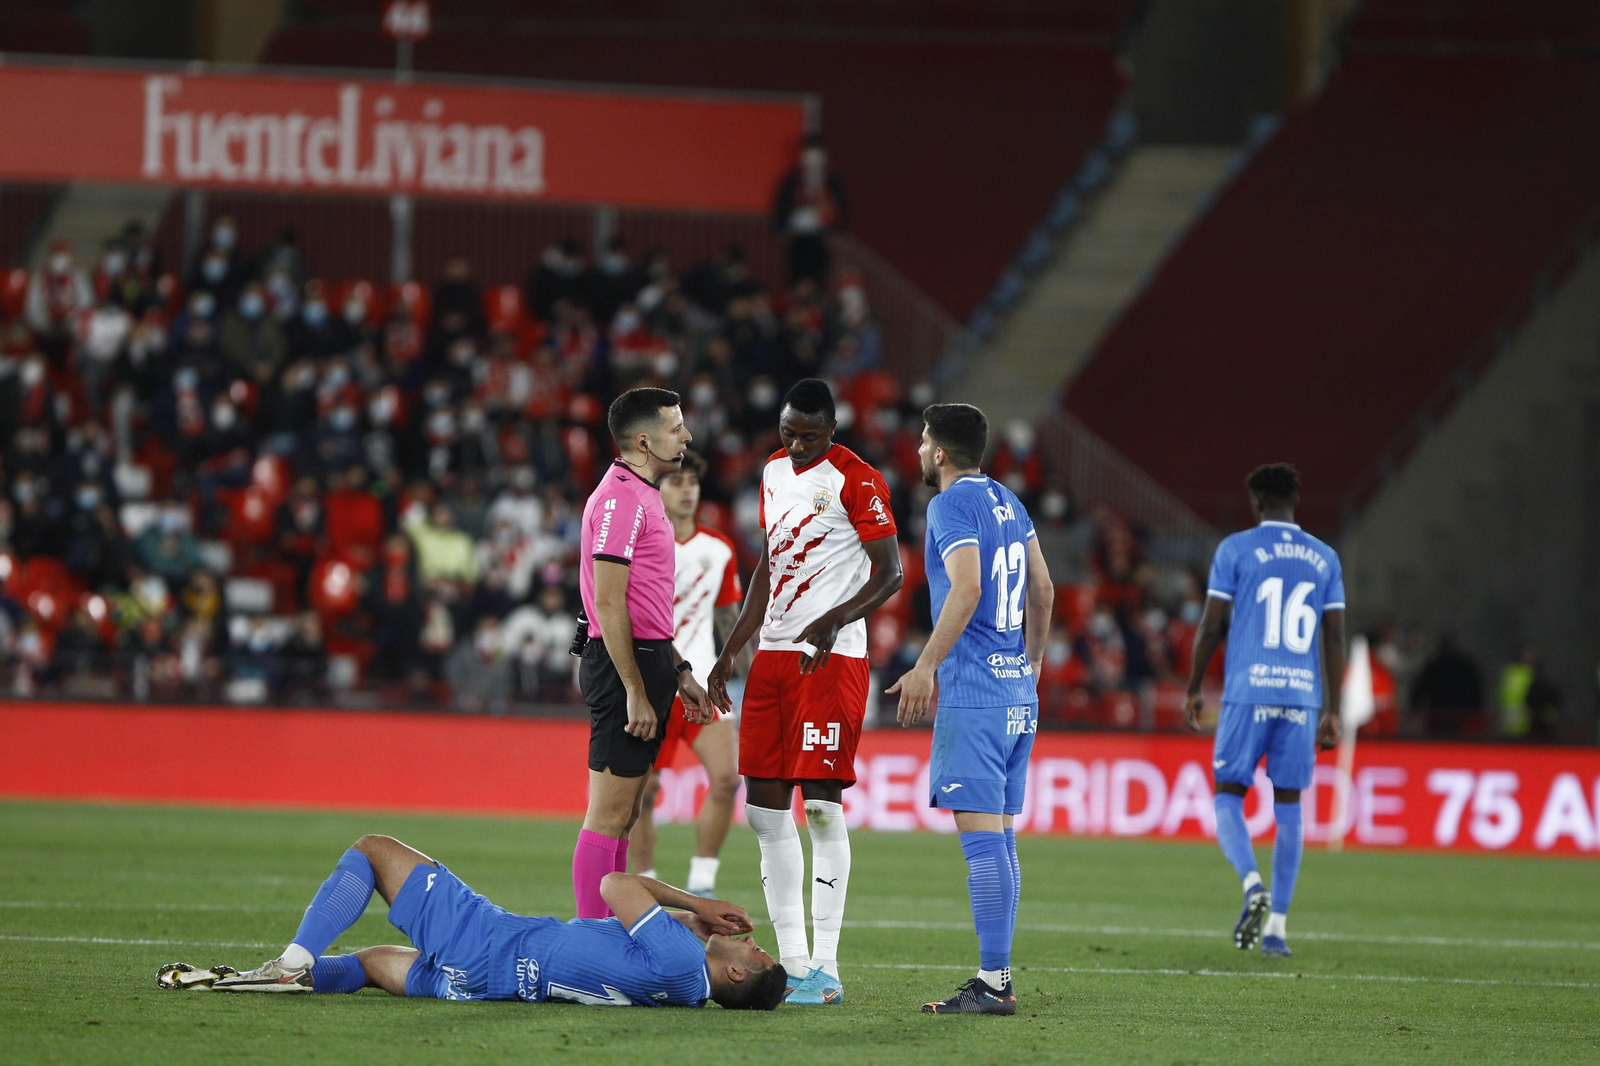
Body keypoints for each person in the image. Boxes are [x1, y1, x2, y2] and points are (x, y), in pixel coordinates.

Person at [706, 378, 904, 1005]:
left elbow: (891, 571)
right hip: (772, 658)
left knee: (820, 807)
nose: (795, 445)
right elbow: (771, 560)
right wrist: (734, 645)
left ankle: (828, 966)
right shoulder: (772, 472)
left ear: (832, 432)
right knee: (764, 813)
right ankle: (792, 963)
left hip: (831, 659)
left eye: (809, 436)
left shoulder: (858, 480)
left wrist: (834, 619)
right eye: (788, 432)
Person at [156, 834, 786, 1010]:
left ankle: (293, 962)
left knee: (372, 852)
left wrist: (700, 907)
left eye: (755, 954)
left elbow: (615, 884)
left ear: (734, 972)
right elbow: (642, 948)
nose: (752, 942)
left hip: (489, 941)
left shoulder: (680, 961)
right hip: (486, 983)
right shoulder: (681, 985)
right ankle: (264, 981)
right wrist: (693, 923)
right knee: (374, 964)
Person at [887, 403, 1053, 1015]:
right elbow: (1043, 588)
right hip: (1015, 695)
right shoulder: (1010, 500)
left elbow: (969, 586)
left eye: (924, 441)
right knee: (1002, 841)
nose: (920, 450)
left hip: (976, 695)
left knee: (982, 846)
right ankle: (997, 975)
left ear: (939, 452)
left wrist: (925, 665)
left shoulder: (949, 504)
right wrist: (1031, 666)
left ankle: (992, 983)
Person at [1184, 464, 1345, 958]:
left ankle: (1253, 884)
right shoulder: (1325, 558)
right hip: (1302, 696)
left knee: (1229, 793)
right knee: (1290, 803)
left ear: (1256, 503)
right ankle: (1277, 928)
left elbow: (1212, 625)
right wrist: (1333, 709)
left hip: (1248, 691)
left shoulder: (1236, 548)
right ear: (1296, 501)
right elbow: (1333, 635)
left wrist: (1193, 686)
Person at [573, 388, 715, 920]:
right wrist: (635, 688)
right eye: (676, 427)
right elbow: (609, 604)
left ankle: (608, 930)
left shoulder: (642, 493)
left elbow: (643, 603)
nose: (686, 436)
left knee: (628, 811)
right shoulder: (619, 499)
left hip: (649, 658)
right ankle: (590, 943)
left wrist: (677, 669)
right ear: (642, 439)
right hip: (621, 665)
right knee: (607, 814)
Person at [633, 449, 749, 898]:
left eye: (693, 484)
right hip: (652, 685)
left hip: (702, 687)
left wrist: (748, 671)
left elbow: (728, 619)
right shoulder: (643, 545)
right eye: (677, 482)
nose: (687, 491)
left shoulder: (717, 549)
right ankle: (644, 881)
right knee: (644, 790)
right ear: (659, 487)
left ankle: (703, 879)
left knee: (727, 779)